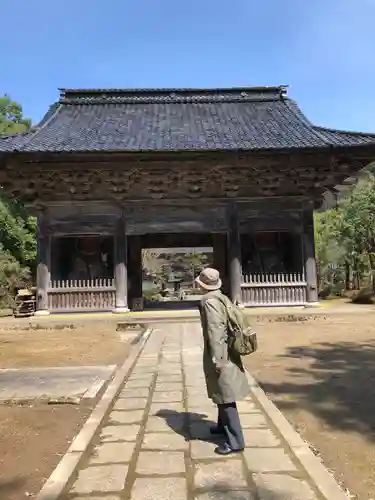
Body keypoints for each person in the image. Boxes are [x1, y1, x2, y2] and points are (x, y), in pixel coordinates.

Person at [195, 267, 250, 455]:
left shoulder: (210, 301)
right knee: (221, 391)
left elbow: (216, 330)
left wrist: (218, 359)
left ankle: (235, 441)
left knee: (226, 396)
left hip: (221, 352)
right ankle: (221, 426)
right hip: (227, 350)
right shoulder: (221, 296)